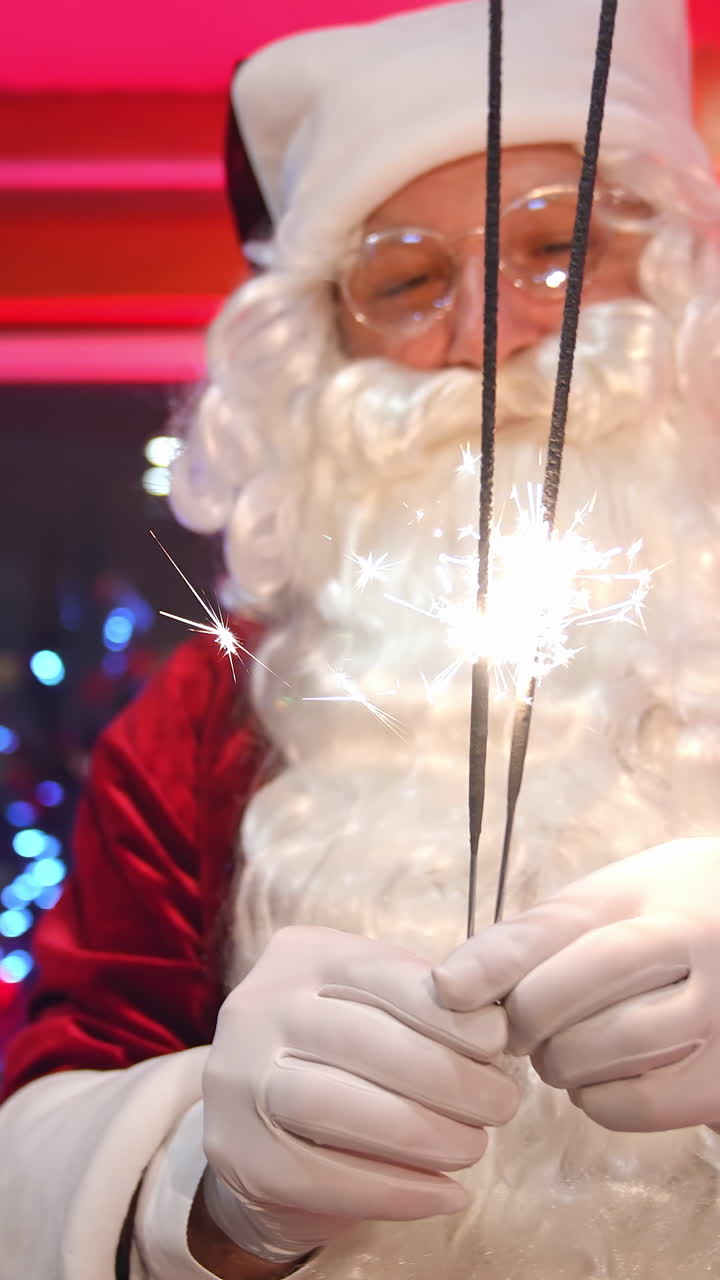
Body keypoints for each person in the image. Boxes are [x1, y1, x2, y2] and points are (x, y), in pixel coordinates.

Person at [2, 0, 720, 1276]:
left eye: (561, 247)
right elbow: (38, 1129)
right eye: (407, 279)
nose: (495, 333)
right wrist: (205, 1180)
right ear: (323, 347)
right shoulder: (212, 712)